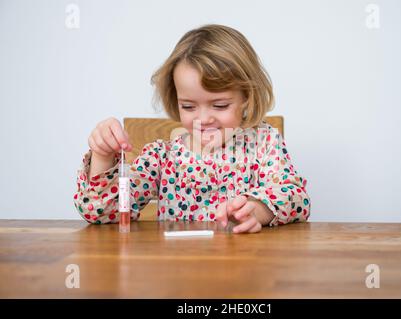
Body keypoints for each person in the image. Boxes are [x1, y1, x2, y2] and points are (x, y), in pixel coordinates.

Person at [73, 24, 311, 234]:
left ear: (246, 96)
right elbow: (102, 213)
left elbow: (296, 197)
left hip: (243, 273)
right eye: (188, 106)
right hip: (179, 275)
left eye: (219, 105)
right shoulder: (162, 158)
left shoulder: (264, 143)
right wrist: (102, 156)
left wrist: (256, 210)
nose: (203, 118)